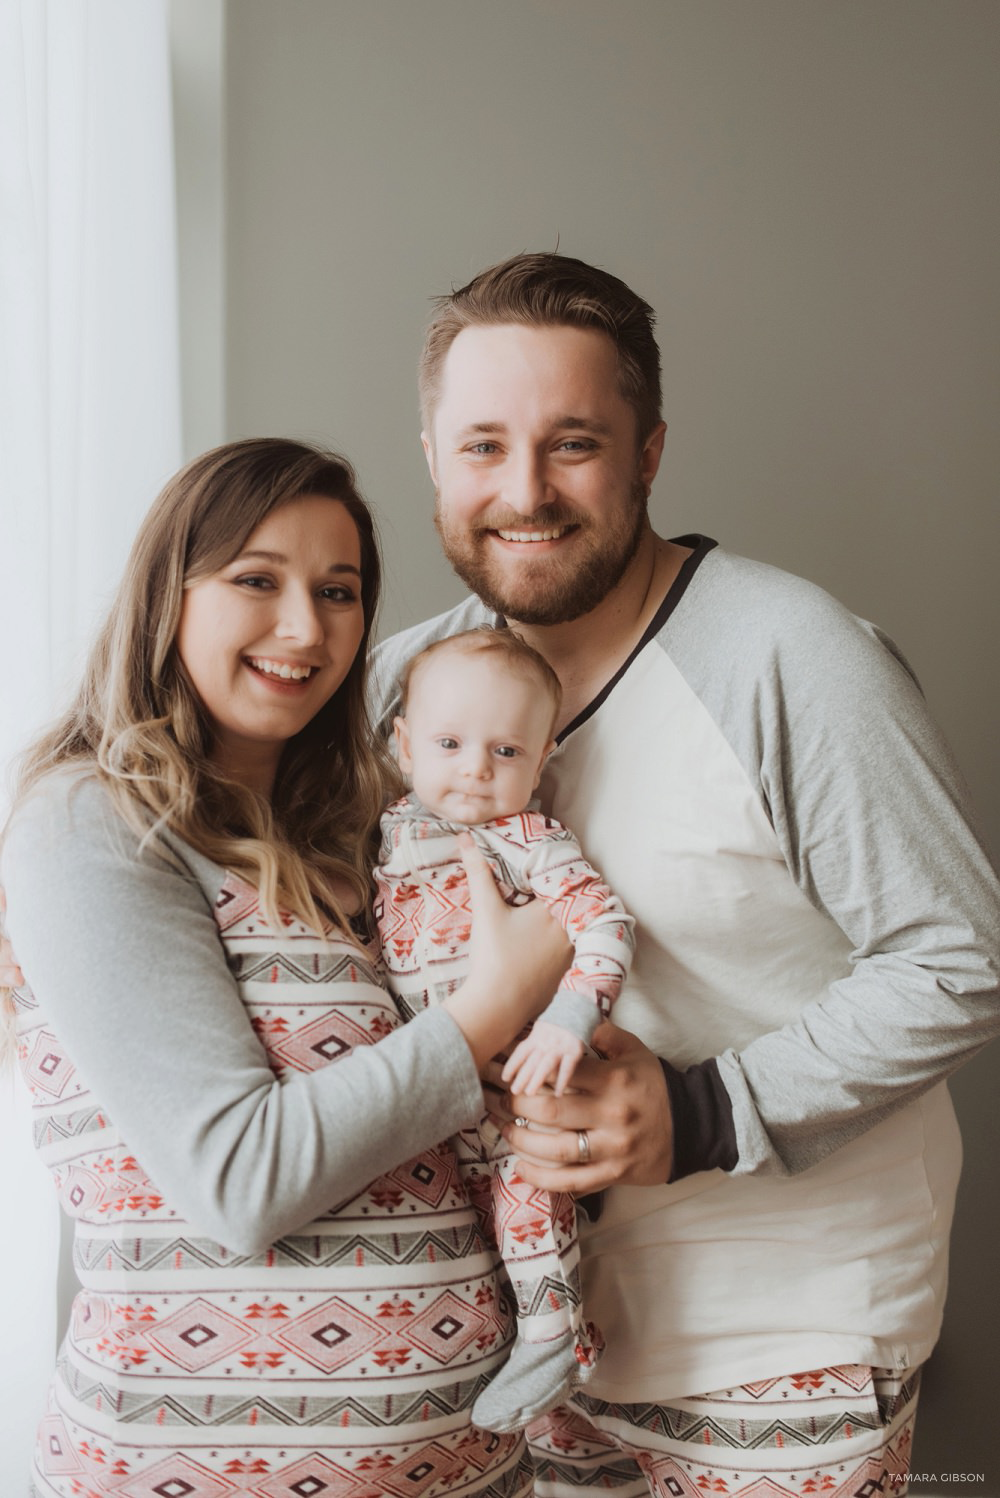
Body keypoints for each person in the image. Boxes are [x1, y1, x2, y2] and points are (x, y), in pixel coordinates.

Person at [367, 252, 1000, 1497]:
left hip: (784, 1345)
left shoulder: (788, 654)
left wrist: (703, 1111)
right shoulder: (406, 685)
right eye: (483, 444)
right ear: (432, 453)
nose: (525, 491)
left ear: (649, 450)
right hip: (529, 1348)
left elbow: (961, 958)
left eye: (575, 444)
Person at [0, 437, 574, 1498]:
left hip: (472, 1467)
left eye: (340, 591)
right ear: (167, 594)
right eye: (256, 580)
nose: (307, 628)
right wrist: (491, 1009)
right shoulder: (92, 820)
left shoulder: (370, 830)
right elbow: (237, 1177)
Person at [377, 625, 635, 1432]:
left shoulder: (526, 838)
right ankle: (517, 1338)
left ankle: (556, 1335)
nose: (475, 772)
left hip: (523, 1078)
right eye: (449, 744)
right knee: (470, 1226)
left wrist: (567, 1019)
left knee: (526, 1195)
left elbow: (606, 924)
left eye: (506, 752)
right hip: (433, 1083)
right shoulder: (384, 831)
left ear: (543, 755)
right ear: (403, 745)